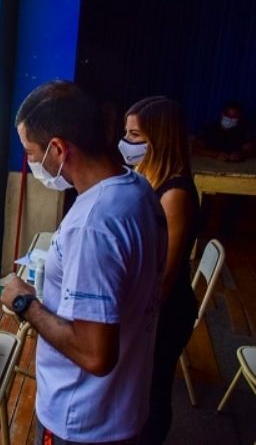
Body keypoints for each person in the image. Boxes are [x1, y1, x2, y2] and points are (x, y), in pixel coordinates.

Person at [0, 81, 166, 444]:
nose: (29, 162)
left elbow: (95, 355)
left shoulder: (95, 225)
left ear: (58, 148)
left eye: (31, 152)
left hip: (85, 422)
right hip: (124, 406)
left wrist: (24, 302)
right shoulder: (138, 191)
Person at [121, 97, 200, 444]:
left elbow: (164, 274)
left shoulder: (176, 192)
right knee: (138, 390)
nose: (126, 141)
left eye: (135, 135)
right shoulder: (146, 176)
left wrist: (140, 323)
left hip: (166, 312)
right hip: (147, 307)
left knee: (153, 393)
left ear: (160, 137)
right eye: (126, 132)